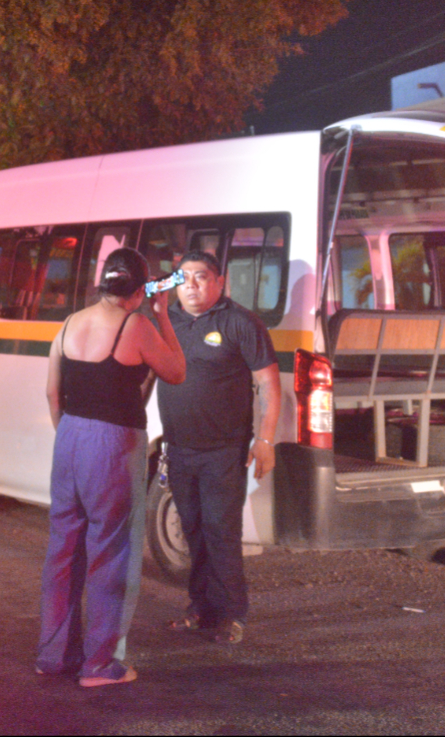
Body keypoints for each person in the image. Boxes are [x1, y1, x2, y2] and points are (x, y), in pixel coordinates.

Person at [36, 247, 185, 688]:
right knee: (112, 550)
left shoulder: (68, 324)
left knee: (63, 549)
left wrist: (69, 433)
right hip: (112, 442)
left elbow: (51, 393)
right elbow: (175, 370)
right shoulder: (135, 325)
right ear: (138, 291)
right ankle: (100, 665)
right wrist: (164, 316)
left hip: (69, 439)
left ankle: (53, 655)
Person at [157, 251, 281, 646]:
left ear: (220, 281)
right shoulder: (165, 321)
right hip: (178, 448)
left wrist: (264, 440)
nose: (191, 285)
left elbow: (269, 385)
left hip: (223, 451)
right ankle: (200, 609)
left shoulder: (240, 322)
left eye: (200, 277)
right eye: (184, 278)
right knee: (191, 530)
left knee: (221, 531)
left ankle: (232, 614)